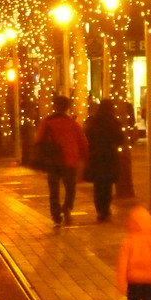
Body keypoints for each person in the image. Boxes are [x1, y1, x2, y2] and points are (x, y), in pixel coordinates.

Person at [35, 95, 88, 227]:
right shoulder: (72, 123)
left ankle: (56, 214)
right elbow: (83, 142)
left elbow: (39, 140)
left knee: (54, 189)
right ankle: (67, 207)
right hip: (70, 160)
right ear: (67, 107)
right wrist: (85, 156)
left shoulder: (47, 122)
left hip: (53, 160)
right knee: (70, 187)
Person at [85, 98, 124, 222]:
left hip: (96, 156)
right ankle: (105, 209)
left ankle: (100, 209)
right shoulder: (113, 121)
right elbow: (120, 138)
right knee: (107, 185)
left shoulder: (93, 121)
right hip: (109, 156)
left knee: (98, 185)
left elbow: (87, 136)